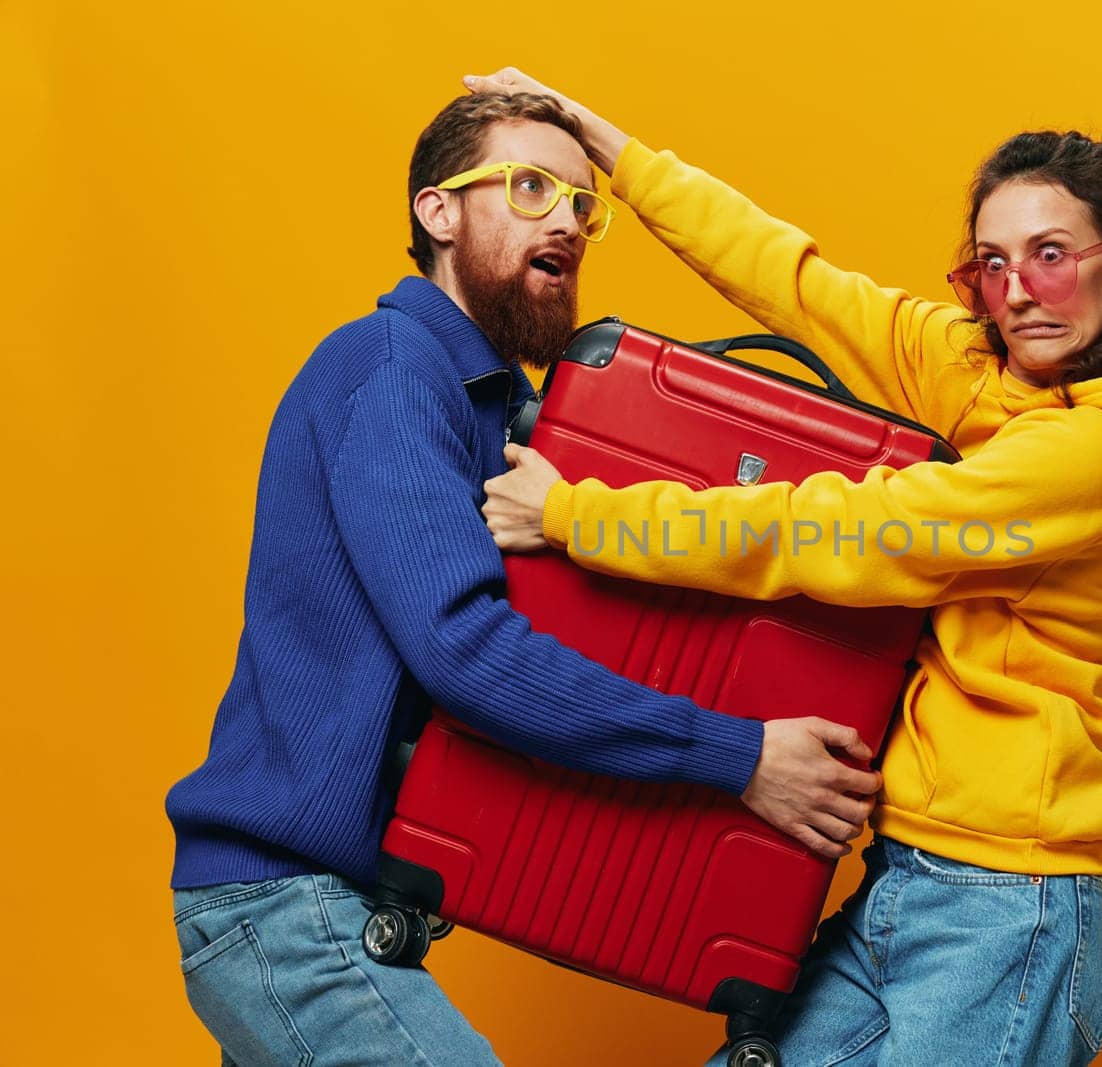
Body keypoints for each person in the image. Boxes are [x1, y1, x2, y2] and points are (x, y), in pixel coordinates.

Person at [467, 68, 1102, 1066]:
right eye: (991, 265)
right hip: (907, 876)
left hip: (1006, 906)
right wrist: (603, 144)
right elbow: (794, 280)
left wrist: (577, 514)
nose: (1016, 292)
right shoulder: (983, 370)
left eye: (1049, 255)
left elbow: (847, 531)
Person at [164, 91, 880, 1065]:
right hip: (280, 905)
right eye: (531, 187)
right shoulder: (393, 369)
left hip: (322, 904)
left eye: (583, 206)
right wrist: (739, 753)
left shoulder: (511, 414)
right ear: (439, 212)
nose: (567, 223)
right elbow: (466, 650)